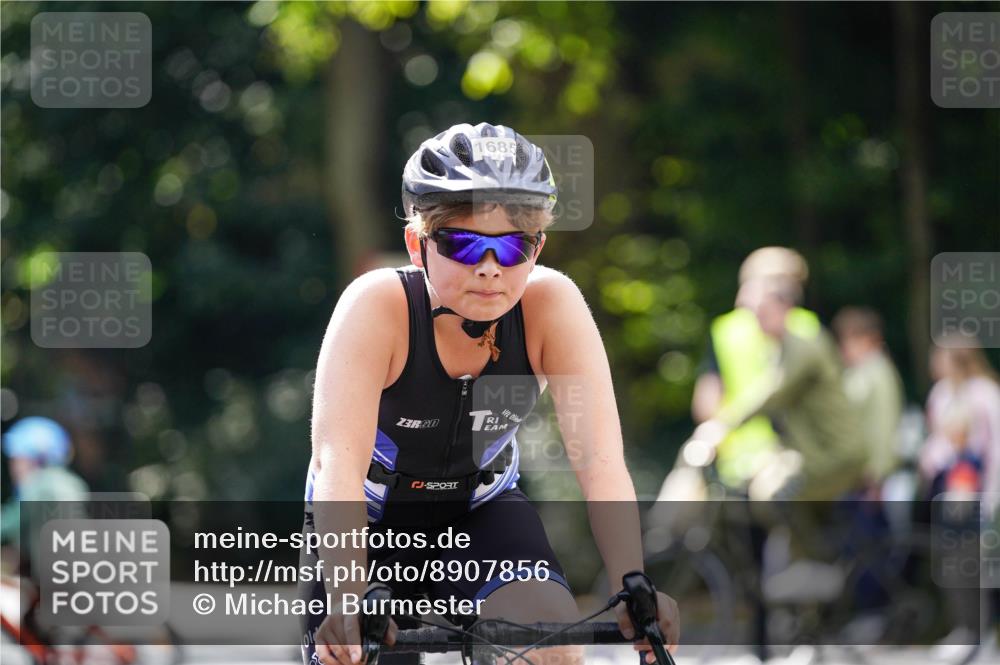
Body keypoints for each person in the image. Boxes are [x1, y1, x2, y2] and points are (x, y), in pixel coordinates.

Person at [299, 123, 679, 665]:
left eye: (512, 247)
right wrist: (345, 597)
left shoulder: (552, 305)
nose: (488, 269)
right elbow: (337, 464)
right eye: (462, 243)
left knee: (554, 649)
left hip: (482, 510)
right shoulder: (377, 306)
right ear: (416, 244)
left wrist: (634, 584)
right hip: (370, 518)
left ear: (538, 247)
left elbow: (598, 460)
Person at [695, 278, 868, 503]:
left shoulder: (802, 345)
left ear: (786, 309)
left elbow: (773, 393)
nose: (757, 321)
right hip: (820, 456)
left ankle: (804, 539)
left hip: (834, 458)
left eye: (763, 313)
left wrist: (723, 424)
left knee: (770, 498)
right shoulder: (783, 348)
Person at [691, 247, 819, 490]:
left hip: (759, 458)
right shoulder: (807, 327)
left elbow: (706, 404)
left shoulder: (725, 329)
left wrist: (721, 427)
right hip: (771, 456)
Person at [1, 416, 90, 574]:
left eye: (16, 460)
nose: (13, 468)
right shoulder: (75, 484)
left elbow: (7, 526)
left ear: (37, 460)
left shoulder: (37, 487)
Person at [832, 307, 904, 490]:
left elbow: (885, 425)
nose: (843, 348)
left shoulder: (878, 373)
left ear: (868, 339)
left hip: (872, 479)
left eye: (848, 339)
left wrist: (879, 474)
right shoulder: (862, 371)